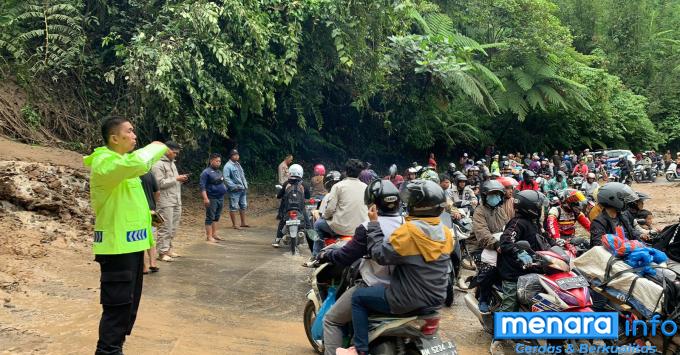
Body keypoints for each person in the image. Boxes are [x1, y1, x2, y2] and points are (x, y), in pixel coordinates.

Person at [336, 180, 453, 355]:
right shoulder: (445, 232)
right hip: (436, 299)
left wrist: (374, 224)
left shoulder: (409, 232)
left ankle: (359, 349)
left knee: (358, 297)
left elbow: (380, 255)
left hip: (405, 300)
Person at [83, 117, 168, 355]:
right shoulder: (104, 162)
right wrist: (157, 144)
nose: (134, 136)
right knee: (116, 308)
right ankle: (108, 351)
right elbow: (139, 162)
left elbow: (131, 204)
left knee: (128, 307)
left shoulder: (124, 164)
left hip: (131, 248)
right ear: (114, 138)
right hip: (115, 250)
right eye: (129, 132)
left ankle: (115, 348)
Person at [316, 179, 403, 355]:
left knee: (332, 320)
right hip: (403, 288)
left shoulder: (367, 228)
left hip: (374, 285)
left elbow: (345, 256)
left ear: (372, 205)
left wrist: (326, 254)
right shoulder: (407, 224)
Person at [469, 180, 509, 313]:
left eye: (498, 195)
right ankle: (483, 298)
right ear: (485, 196)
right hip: (480, 247)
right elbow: (482, 233)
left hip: (499, 246)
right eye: (492, 195)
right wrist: (495, 244)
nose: (496, 197)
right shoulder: (479, 211)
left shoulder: (500, 210)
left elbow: (508, 227)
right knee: (489, 269)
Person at [152, 141, 187, 262]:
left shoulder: (172, 163)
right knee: (165, 227)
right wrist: (176, 178)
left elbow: (171, 181)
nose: (176, 155)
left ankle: (168, 249)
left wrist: (179, 180)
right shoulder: (158, 164)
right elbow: (158, 183)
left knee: (173, 227)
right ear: (167, 150)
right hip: (164, 201)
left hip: (175, 199)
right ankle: (162, 252)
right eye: (174, 152)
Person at [317, 159, 368, 241]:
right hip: (361, 229)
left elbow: (330, 209)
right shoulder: (366, 187)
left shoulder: (338, 186)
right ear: (360, 173)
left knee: (318, 225)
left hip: (340, 229)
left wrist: (325, 217)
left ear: (346, 171)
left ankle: (317, 253)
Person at [272, 164, 311, 249]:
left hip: (287, 208)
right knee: (308, 224)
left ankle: (277, 240)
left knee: (282, 222)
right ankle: (312, 241)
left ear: (290, 172)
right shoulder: (304, 184)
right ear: (301, 173)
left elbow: (279, 195)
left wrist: (278, 195)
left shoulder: (286, 183)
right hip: (300, 208)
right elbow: (308, 196)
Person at [589, 182, 639, 248]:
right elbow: (599, 246)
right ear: (612, 199)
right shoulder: (598, 223)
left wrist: (643, 238)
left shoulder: (622, 216)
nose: (626, 202)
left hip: (628, 251)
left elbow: (632, 233)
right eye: (623, 199)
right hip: (614, 256)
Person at [199, 153, 228, 243]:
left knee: (216, 217)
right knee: (210, 217)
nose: (218, 163)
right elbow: (202, 187)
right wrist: (205, 198)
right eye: (216, 161)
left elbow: (222, 182)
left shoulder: (219, 171)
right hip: (211, 197)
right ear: (211, 161)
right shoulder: (206, 172)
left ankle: (214, 234)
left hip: (220, 197)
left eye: (219, 161)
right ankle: (209, 236)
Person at [139, 171, 160, 274]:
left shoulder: (131, 173)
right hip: (152, 210)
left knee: (140, 238)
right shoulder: (150, 173)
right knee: (153, 238)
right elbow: (157, 192)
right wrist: (153, 204)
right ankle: (153, 263)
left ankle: (143, 267)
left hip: (137, 211)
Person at [224, 149, 250, 229]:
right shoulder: (227, 166)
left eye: (237, 155)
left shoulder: (237, 164)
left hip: (242, 189)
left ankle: (243, 223)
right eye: (234, 155)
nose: (237, 156)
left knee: (243, 206)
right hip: (235, 190)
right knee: (233, 207)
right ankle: (234, 224)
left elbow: (242, 176)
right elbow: (226, 178)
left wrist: (245, 185)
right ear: (231, 156)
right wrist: (235, 186)